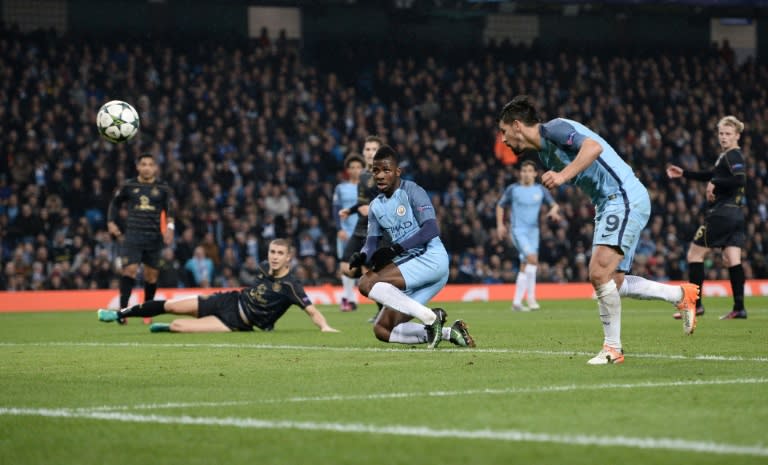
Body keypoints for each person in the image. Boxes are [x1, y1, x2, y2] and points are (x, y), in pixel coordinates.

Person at [497, 95, 699, 365]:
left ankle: (612, 349)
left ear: (517, 125)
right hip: (608, 204)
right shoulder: (544, 152)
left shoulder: (554, 129)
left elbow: (592, 148)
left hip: (622, 197)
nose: (503, 139)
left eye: (503, 131)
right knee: (612, 282)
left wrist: (562, 176)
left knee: (598, 273)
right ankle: (680, 295)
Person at [348, 145, 475, 349]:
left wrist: (396, 248)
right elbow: (371, 243)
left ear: (397, 172)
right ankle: (450, 332)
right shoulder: (375, 206)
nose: (380, 175)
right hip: (411, 270)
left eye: (386, 170)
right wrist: (362, 257)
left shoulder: (412, 191)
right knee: (382, 329)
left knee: (366, 283)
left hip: (430, 258)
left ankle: (431, 317)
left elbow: (431, 229)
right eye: (376, 170)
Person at [98, 239, 339, 334]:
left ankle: (164, 328)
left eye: (280, 254)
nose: (274, 257)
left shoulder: (291, 285)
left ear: (289, 258)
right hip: (228, 300)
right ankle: (118, 313)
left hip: (237, 322)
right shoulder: (264, 266)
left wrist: (325, 327)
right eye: (272, 252)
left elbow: (311, 310)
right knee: (171, 305)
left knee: (180, 326)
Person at [666, 115, 748, 320]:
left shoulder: (733, 156)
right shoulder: (726, 157)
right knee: (732, 259)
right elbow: (709, 174)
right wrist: (684, 173)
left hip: (722, 214)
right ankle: (739, 308)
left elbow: (739, 179)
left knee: (694, 255)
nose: (724, 137)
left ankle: (696, 305)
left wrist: (715, 183)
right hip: (736, 214)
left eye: (728, 134)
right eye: (721, 133)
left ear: (737, 135)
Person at [107, 153, 174, 324]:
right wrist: (110, 222)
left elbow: (169, 210)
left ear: (155, 168)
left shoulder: (163, 188)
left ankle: (147, 311)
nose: (147, 167)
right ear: (138, 167)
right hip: (133, 235)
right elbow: (115, 203)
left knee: (151, 277)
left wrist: (170, 229)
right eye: (143, 164)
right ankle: (123, 311)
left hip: (154, 238)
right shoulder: (129, 185)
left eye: (150, 164)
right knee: (129, 270)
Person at [496, 160, 562, 311]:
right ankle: (531, 299)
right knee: (533, 260)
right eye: (523, 170)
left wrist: (553, 211)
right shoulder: (513, 189)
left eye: (529, 171)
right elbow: (500, 205)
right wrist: (500, 225)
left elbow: (554, 204)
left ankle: (517, 302)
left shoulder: (540, 190)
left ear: (535, 173)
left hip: (534, 231)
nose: (526, 173)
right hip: (518, 230)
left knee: (525, 264)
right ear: (520, 173)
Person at [338, 135, 384, 320]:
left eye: (374, 149)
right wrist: (350, 210)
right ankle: (384, 300)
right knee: (345, 267)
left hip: (377, 229)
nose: (370, 152)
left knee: (368, 273)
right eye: (367, 149)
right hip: (360, 227)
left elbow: (390, 202)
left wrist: (371, 208)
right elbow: (362, 202)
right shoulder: (364, 176)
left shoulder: (386, 174)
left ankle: (384, 309)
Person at [333, 153, 365, 311]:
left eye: (358, 167)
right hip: (346, 232)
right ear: (348, 170)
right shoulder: (340, 188)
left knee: (363, 264)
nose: (355, 170)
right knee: (345, 265)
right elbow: (336, 209)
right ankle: (348, 298)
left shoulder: (368, 186)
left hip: (364, 231)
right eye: (352, 167)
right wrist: (339, 229)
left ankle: (352, 297)